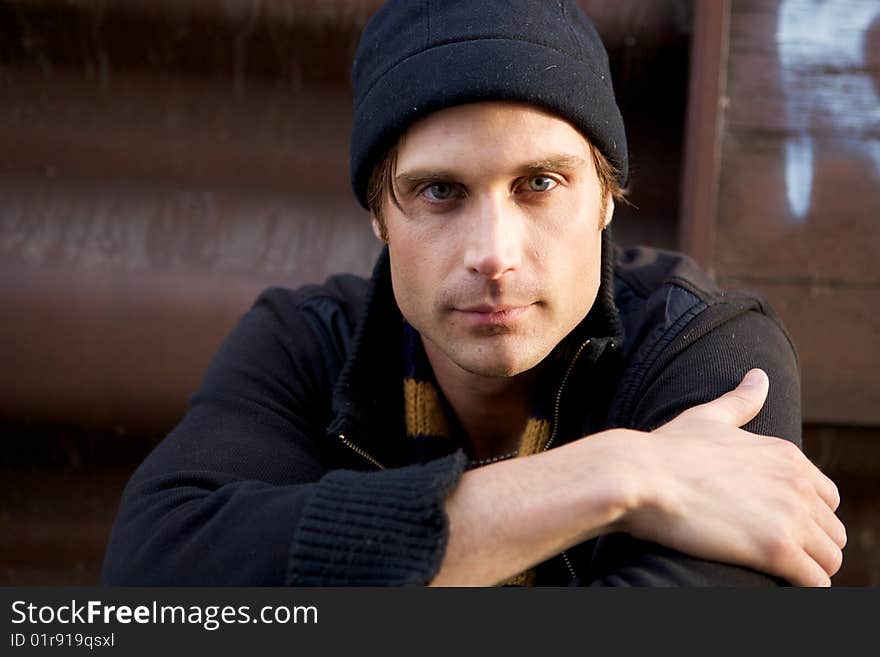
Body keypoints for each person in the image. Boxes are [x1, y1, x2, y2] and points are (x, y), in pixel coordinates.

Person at [101, 0, 845, 587]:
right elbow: (153, 589)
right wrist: (618, 473)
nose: (493, 253)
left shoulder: (707, 353)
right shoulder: (307, 342)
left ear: (606, 197)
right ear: (379, 214)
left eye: (540, 184)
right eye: (439, 190)